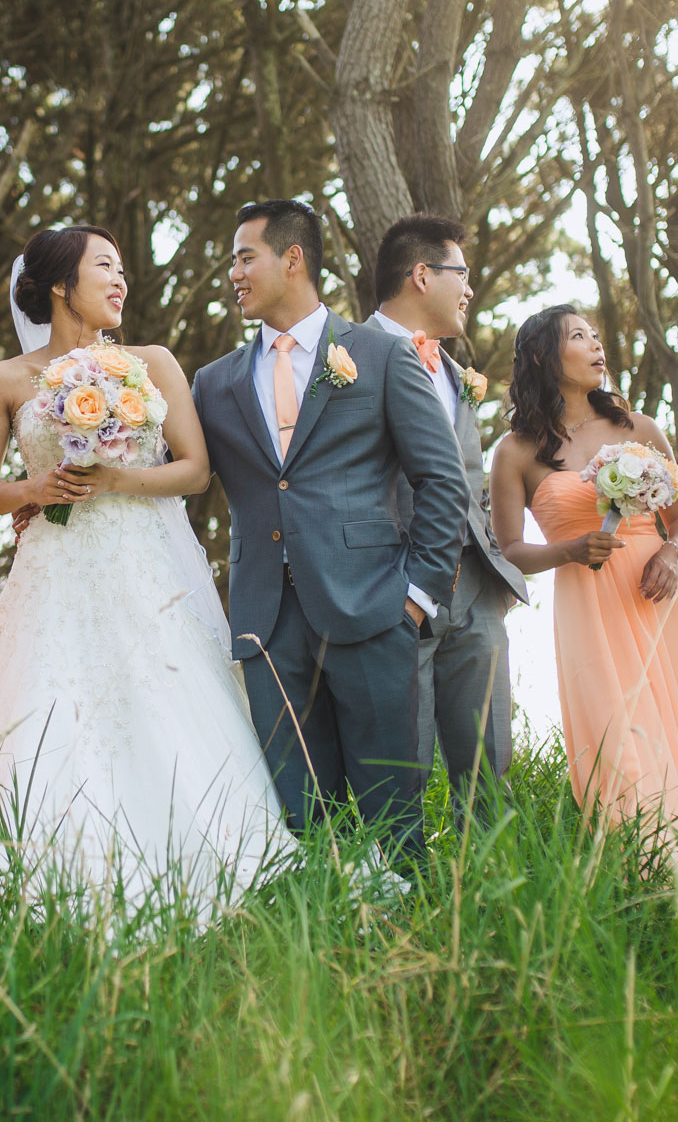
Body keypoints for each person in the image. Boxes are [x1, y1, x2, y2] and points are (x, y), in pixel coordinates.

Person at [0, 224, 294, 917]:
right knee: (48, 706)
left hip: (146, 566)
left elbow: (195, 468)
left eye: (121, 269)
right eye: (104, 267)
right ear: (60, 285)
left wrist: (115, 477)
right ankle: (49, 871)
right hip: (52, 570)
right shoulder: (5, 380)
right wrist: (32, 491)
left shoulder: (150, 362)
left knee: (166, 697)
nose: (120, 281)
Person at [191, 199, 470, 867]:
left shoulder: (377, 354)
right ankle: (319, 956)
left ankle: (412, 955)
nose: (232, 272)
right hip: (266, 624)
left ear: (293, 258)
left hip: (374, 610)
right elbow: (189, 483)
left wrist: (417, 597)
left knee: (393, 818)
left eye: (243, 256)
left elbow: (442, 481)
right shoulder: (214, 383)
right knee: (298, 824)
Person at [487, 306, 678, 831]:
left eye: (597, 335)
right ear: (541, 357)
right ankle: (650, 853)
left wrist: (670, 554)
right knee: (618, 727)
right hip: (588, 608)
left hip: (660, 596)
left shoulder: (638, 427)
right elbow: (510, 548)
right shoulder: (515, 451)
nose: (597, 345)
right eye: (578, 336)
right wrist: (567, 551)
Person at [366, 215, 529, 824]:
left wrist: (493, 569)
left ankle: (490, 893)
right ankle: (400, 896)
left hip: (476, 588)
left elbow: (464, 476)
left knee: (491, 762)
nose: (469, 290)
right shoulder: (345, 357)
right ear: (421, 275)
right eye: (462, 275)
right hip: (393, 585)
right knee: (401, 768)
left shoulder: (459, 376)